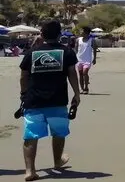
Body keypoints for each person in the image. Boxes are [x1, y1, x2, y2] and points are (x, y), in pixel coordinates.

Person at [19, 20, 81, 181]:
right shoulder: (66, 52)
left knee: (30, 135)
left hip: (33, 101)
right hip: (58, 101)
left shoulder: (32, 52)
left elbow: (23, 76)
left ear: (42, 34)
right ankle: (57, 161)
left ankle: (30, 171)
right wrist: (77, 93)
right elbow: (72, 74)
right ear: (59, 34)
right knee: (59, 133)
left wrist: (23, 94)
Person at [75, 27, 97, 95]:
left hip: (87, 60)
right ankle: (82, 88)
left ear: (86, 32)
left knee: (85, 72)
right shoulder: (78, 40)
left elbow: (95, 49)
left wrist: (94, 58)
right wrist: (75, 57)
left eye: (82, 31)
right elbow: (76, 49)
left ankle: (86, 87)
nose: (81, 32)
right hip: (79, 60)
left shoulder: (92, 40)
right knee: (80, 74)